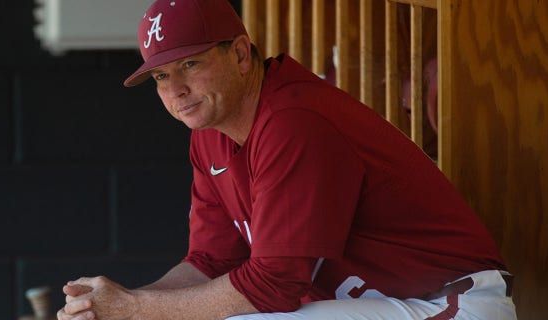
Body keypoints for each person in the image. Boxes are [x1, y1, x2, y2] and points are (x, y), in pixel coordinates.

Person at [57, 0, 517, 319]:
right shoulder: (211, 134)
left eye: (190, 65)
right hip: (380, 306)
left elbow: (272, 286)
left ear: (239, 53)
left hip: (448, 305)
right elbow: (211, 262)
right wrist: (119, 306)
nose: (175, 90)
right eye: (160, 75)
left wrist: (138, 311)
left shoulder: (293, 119)